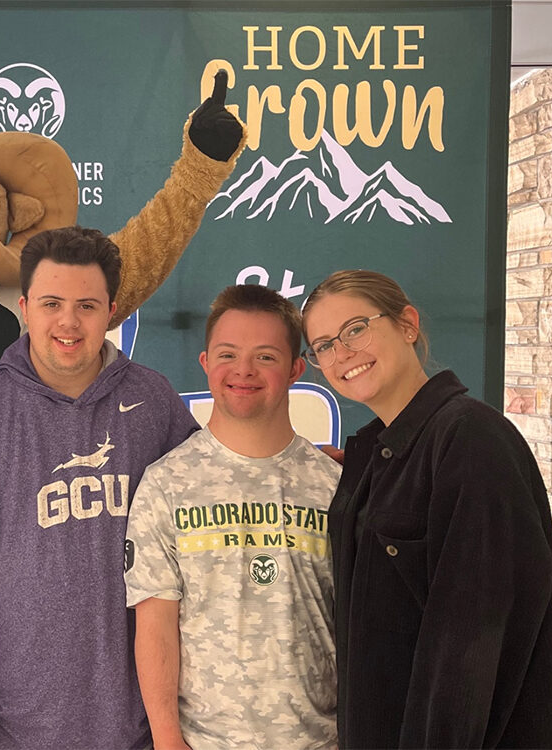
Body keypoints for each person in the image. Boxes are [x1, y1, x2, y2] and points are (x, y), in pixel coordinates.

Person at [0, 225, 199, 750]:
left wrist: (275, 462)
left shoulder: (153, 399)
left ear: (110, 311)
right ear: (25, 308)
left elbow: (204, 487)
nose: (68, 322)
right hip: (12, 716)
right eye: (52, 303)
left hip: (139, 718)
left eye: (87, 306)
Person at [301, 269, 552, 749]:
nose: (342, 353)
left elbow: (472, 644)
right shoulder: (380, 455)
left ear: (407, 324)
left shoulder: (470, 439)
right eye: (324, 345)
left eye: (355, 329)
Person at [124, 284, 340, 750]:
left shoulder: (335, 487)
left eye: (265, 356)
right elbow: (155, 627)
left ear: (295, 369)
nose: (243, 370)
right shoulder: (166, 485)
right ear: (205, 364)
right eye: (228, 354)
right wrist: (165, 738)